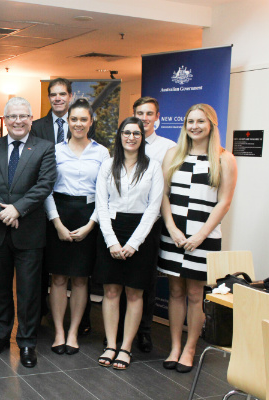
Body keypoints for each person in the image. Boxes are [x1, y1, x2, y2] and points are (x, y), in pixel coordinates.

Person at [0, 97, 56, 368]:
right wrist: (1, 213)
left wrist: (17, 210)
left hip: (29, 231)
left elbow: (44, 184)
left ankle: (27, 342)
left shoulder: (44, 148)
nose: (18, 121)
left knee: (29, 291)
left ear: (31, 119)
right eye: (12, 117)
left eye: (23, 116)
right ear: (5, 120)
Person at [157, 104, 237, 373]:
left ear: (211, 125)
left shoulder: (225, 159)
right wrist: (172, 229)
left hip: (204, 238)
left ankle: (191, 348)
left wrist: (200, 236)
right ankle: (175, 346)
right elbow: (163, 195)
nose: (194, 127)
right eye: (190, 121)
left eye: (200, 122)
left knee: (195, 293)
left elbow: (224, 203)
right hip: (174, 236)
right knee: (175, 292)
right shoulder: (172, 154)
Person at [94, 117, 163, 370]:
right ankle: (111, 344)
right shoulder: (107, 165)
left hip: (142, 235)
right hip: (111, 230)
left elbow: (154, 209)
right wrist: (112, 241)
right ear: (119, 135)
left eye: (136, 133)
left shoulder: (153, 166)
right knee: (111, 291)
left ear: (142, 137)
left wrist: (134, 243)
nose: (131, 137)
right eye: (126, 132)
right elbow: (101, 205)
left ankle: (125, 347)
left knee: (135, 293)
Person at [44, 99, 110, 355]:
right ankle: (59, 331)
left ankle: (73, 332)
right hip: (59, 215)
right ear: (67, 122)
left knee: (81, 280)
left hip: (88, 215)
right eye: (74, 119)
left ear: (91, 122)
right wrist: (56, 222)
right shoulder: (55, 150)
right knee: (58, 278)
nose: (79, 124)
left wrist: (91, 225)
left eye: (84, 119)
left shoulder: (102, 152)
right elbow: (46, 190)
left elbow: (104, 194)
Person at [116, 97, 177, 353]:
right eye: (139, 113)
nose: (144, 117)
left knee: (146, 282)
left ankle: (144, 332)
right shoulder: (123, 144)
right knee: (120, 280)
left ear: (157, 116)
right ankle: (120, 330)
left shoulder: (168, 148)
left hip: (153, 221)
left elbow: (166, 190)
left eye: (149, 113)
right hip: (123, 221)